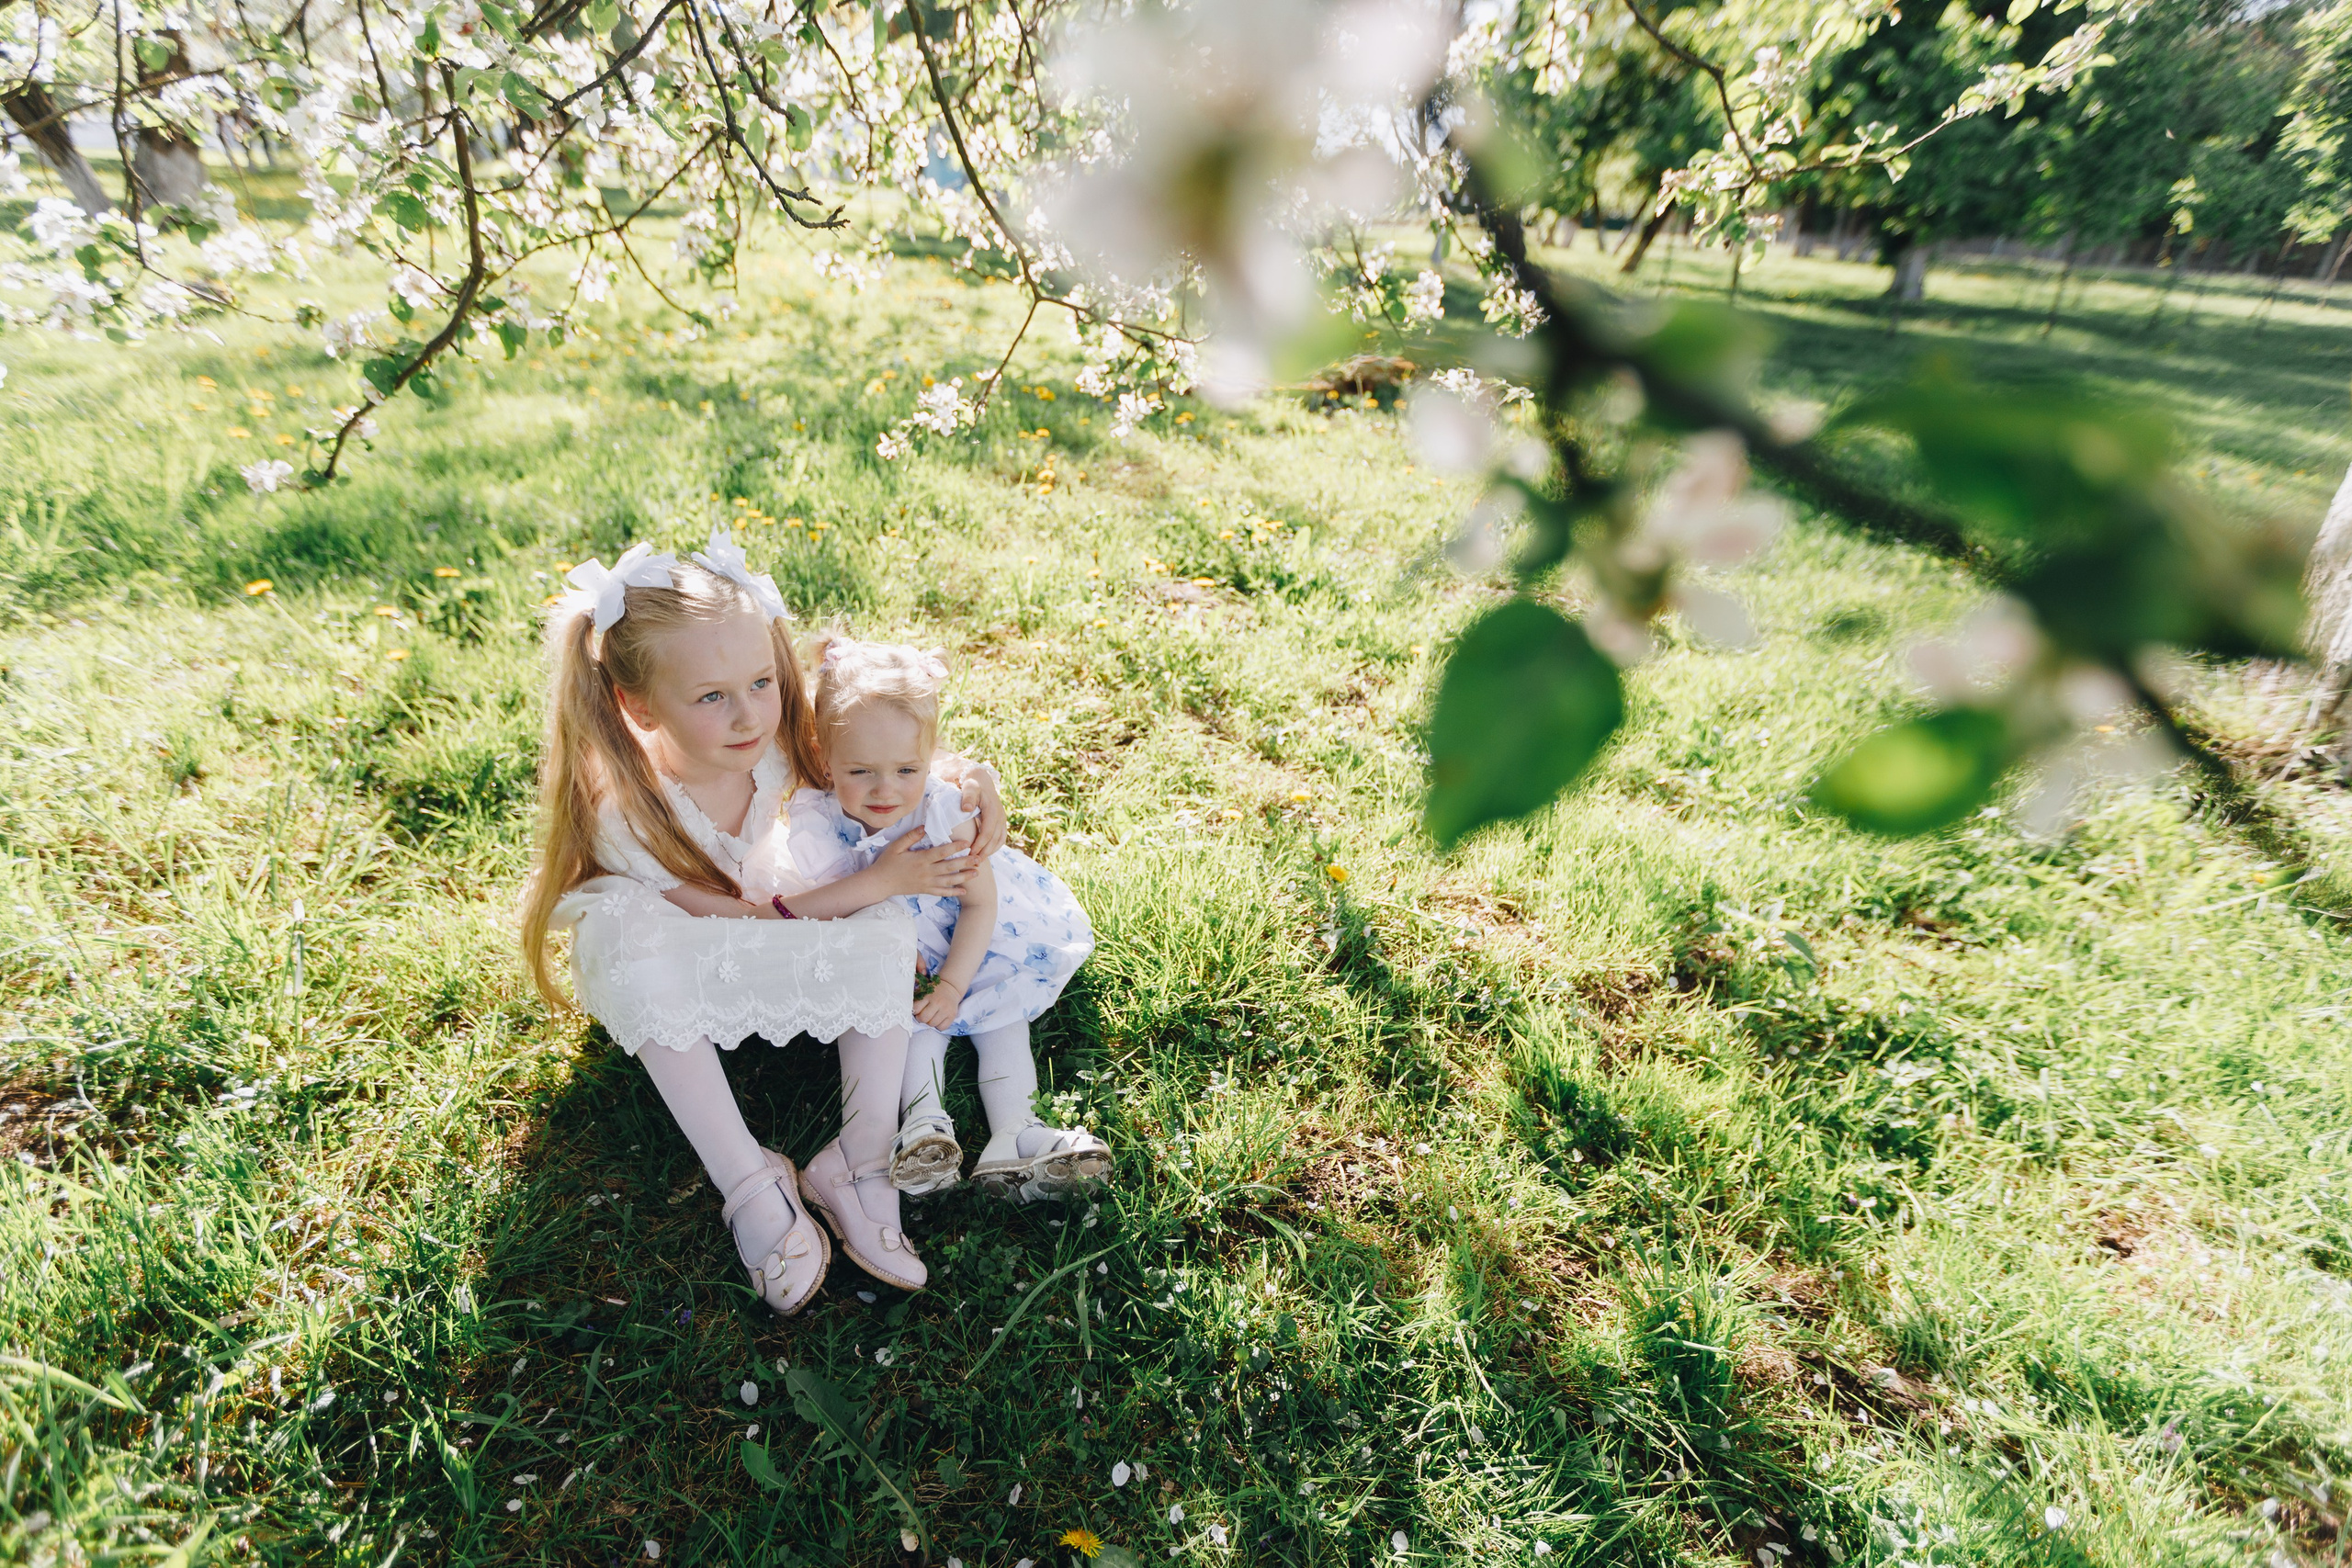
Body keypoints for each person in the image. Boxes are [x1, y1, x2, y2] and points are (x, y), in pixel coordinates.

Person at [519, 528, 1005, 1310]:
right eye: (711, 696)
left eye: (759, 682)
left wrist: (976, 779)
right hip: (694, 971)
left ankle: (859, 1158)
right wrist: (873, 879)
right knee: (631, 941)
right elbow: (751, 919)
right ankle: (748, 1178)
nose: (748, 715)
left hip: (785, 937)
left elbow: (882, 753)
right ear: (637, 705)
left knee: (882, 924)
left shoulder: (777, 743)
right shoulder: (631, 815)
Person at [783, 637, 1106, 1204]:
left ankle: (1017, 1131)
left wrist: (955, 982)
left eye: (907, 768)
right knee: (910, 1026)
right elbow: (821, 901)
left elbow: (980, 904)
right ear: (823, 755)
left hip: (971, 942)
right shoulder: (816, 817)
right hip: (895, 956)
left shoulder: (940, 812)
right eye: (861, 770)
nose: (886, 790)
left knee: (1001, 1017)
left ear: (931, 756)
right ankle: (925, 1128)